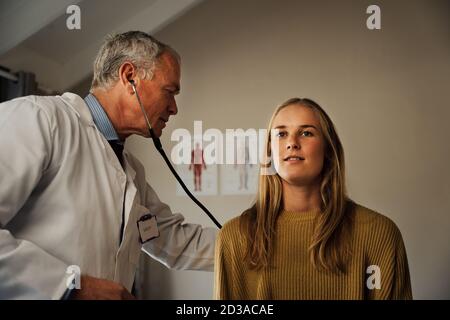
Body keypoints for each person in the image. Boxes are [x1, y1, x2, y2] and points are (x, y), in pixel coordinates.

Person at [0, 31, 216, 299]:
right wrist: (70, 288)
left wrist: (256, 244)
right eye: (170, 92)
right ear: (129, 77)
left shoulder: (131, 172)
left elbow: (174, 241)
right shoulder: (39, 118)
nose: (174, 108)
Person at [214, 98, 412, 299]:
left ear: (328, 150)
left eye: (306, 133)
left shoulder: (379, 233)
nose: (292, 143)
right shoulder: (232, 239)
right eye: (281, 134)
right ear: (269, 152)